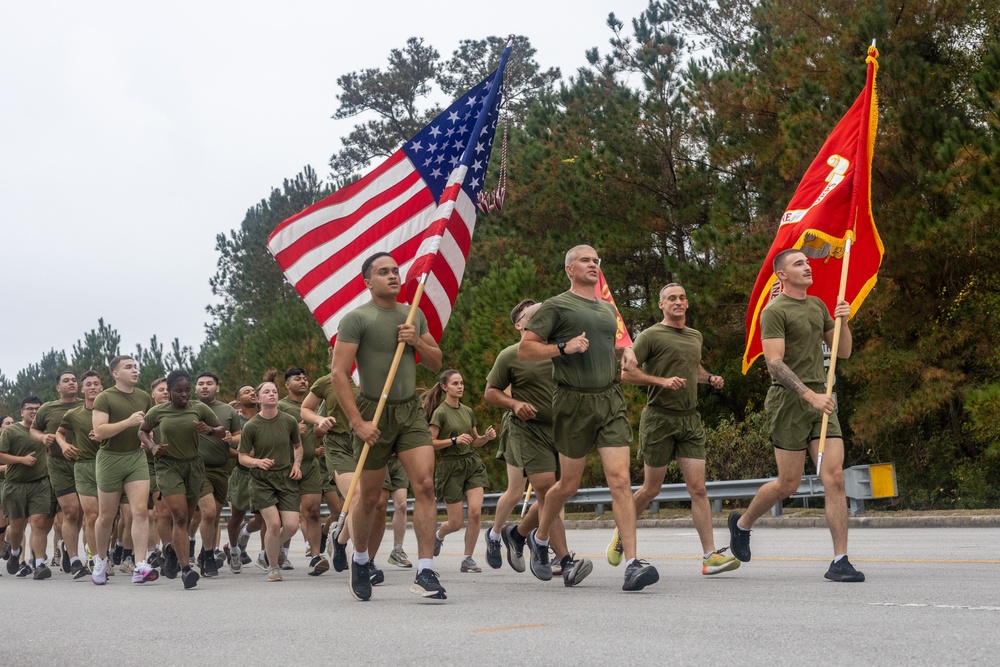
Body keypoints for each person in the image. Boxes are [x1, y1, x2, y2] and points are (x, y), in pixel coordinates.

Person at [519, 245, 659, 591]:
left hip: (609, 399)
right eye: (586, 260)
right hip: (572, 401)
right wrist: (563, 348)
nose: (594, 265)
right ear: (569, 268)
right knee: (568, 485)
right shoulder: (556, 306)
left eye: (597, 260)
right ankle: (539, 538)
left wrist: (627, 352)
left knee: (621, 479)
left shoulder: (607, 309)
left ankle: (632, 564)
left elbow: (610, 344)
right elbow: (526, 349)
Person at [728, 248, 864, 582]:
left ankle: (840, 560)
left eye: (807, 262)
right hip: (790, 401)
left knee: (833, 477)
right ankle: (742, 524)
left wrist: (843, 320)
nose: (807, 267)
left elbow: (843, 351)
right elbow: (775, 363)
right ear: (782, 275)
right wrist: (809, 396)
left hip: (823, 398)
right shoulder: (774, 311)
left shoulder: (817, 306)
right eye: (798, 263)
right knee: (787, 483)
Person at [330, 251, 445, 601]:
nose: (393, 276)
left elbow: (436, 362)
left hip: (409, 411)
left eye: (396, 270)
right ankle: (361, 560)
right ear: (368, 281)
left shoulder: (414, 314)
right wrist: (358, 422)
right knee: (370, 499)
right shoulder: (356, 318)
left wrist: (417, 341)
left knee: (424, 485)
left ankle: (425, 571)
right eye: (384, 272)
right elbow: (338, 374)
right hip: (372, 411)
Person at [615, 283, 739, 576]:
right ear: (661, 305)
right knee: (651, 488)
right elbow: (626, 374)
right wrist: (662, 381)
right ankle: (623, 530)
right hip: (659, 418)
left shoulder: (695, 335)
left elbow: (694, 369)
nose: (679, 302)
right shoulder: (650, 335)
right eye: (672, 298)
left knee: (698, 488)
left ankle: (710, 557)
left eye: (682, 297)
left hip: (689, 420)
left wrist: (710, 379)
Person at [485, 300, 593, 586]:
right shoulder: (510, 355)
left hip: (562, 430)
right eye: (537, 316)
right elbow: (491, 393)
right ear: (523, 324)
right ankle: (563, 559)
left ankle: (519, 534)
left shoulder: (562, 351)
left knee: (560, 493)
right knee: (546, 489)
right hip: (528, 430)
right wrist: (514, 403)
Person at [140, 370, 223, 589]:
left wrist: (211, 430)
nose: (184, 394)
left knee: (186, 518)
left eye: (187, 390)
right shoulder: (158, 411)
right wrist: (152, 446)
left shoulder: (199, 408)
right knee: (179, 515)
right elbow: (142, 431)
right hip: (168, 466)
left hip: (193, 466)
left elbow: (222, 430)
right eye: (179, 390)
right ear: (169, 391)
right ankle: (186, 570)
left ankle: (172, 552)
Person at [91, 355, 158, 585]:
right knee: (106, 516)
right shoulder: (105, 397)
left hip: (135, 458)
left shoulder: (143, 397)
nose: (135, 370)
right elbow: (99, 432)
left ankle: (140, 564)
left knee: (140, 511)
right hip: (109, 459)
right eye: (128, 367)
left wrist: (149, 440)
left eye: (136, 366)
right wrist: (128, 423)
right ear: (116, 374)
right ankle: (100, 560)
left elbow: (148, 428)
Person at [424, 370, 496, 574]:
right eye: (455, 383)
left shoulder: (467, 411)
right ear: (445, 387)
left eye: (461, 383)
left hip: (471, 464)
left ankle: (467, 559)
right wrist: (453, 440)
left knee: (475, 513)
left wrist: (486, 438)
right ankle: (439, 535)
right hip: (450, 467)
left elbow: (475, 440)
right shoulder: (440, 412)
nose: (460, 387)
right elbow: (430, 442)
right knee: (456, 523)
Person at [238, 376, 303, 582]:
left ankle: (269, 550)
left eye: (274, 391)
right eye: (267, 392)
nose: (272, 394)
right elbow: (242, 457)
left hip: (286, 478)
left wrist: (297, 465)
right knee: (273, 524)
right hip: (262, 480)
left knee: (292, 526)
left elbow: (298, 446)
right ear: (258, 398)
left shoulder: (289, 421)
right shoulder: (251, 426)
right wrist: (258, 462)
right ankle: (273, 567)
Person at [30, 371, 83, 575]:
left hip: (85, 463)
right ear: (58, 387)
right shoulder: (48, 408)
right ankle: (75, 558)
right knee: (70, 512)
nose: (71, 383)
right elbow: (33, 430)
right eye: (66, 380)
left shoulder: (88, 405)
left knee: (81, 514)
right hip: (59, 464)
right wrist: (42, 438)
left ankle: (68, 549)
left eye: (73, 380)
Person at [278, 367, 329, 575]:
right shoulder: (281, 406)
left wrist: (320, 432)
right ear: (287, 384)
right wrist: (291, 432)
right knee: (287, 517)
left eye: (305, 378)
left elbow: (315, 434)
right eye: (297, 379)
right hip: (286, 466)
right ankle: (276, 551)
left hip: (310, 464)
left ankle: (315, 556)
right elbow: (271, 434)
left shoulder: (313, 407)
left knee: (313, 512)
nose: (303, 381)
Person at [55, 370, 105, 579]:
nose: (92, 387)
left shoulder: (109, 409)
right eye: (89, 384)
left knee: (107, 517)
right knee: (89, 515)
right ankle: (91, 559)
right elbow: (59, 432)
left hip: (108, 463)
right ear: (83, 389)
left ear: (102, 388)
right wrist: (64, 444)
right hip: (83, 465)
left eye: (96, 384)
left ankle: (101, 554)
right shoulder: (73, 414)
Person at [0, 397, 55, 579]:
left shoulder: (44, 432)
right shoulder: (11, 431)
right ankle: (15, 553)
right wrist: (21, 460)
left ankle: (39, 564)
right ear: (21, 412)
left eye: (37, 409)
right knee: (17, 527)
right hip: (15, 485)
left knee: (38, 523)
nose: (33, 411)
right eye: (29, 408)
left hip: (39, 484)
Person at [193, 371, 242, 578]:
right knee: (209, 513)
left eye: (209, 383)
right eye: (201, 384)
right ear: (196, 389)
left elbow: (239, 436)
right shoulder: (189, 410)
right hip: (197, 469)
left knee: (213, 518)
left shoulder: (227, 410)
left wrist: (232, 438)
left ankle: (205, 554)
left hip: (221, 470)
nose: (205, 387)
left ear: (217, 388)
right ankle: (208, 554)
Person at [225, 383, 260, 573]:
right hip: (242, 474)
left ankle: (244, 535)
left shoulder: (266, 417)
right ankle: (234, 550)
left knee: (263, 519)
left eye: (254, 391)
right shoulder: (235, 422)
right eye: (247, 392)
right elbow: (226, 448)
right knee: (237, 517)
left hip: (263, 474)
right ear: (238, 400)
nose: (252, 393)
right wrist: (244, 455)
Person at [384, 455, 412, 568]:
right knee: (376, 507)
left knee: (401, 505)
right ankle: (363, 554)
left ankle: (397, 551)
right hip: (378, 456)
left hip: (398, 458)